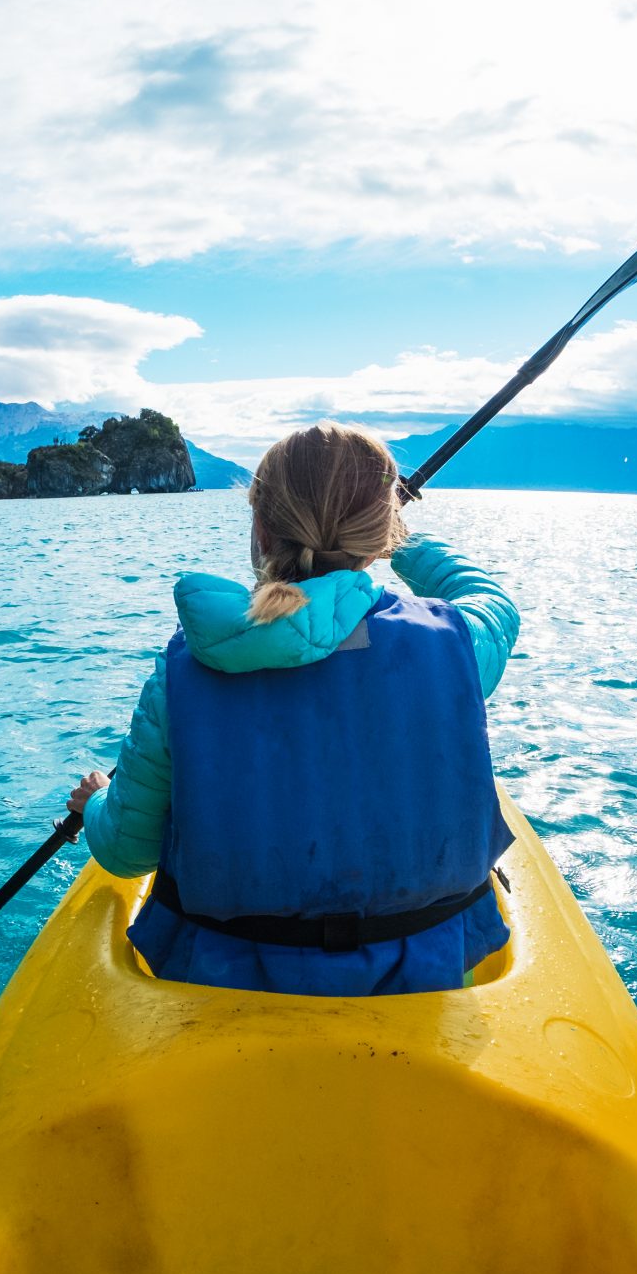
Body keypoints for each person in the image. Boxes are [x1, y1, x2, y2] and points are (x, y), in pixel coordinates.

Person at [69, 421, 521, 995]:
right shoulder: (458, 645)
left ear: (260, 527)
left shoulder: (184, 670)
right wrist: (405, 539)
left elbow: (126, 852)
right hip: (423, 969)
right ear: (382, 532)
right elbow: (494, 604)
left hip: (223, 978)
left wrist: (96, 804)